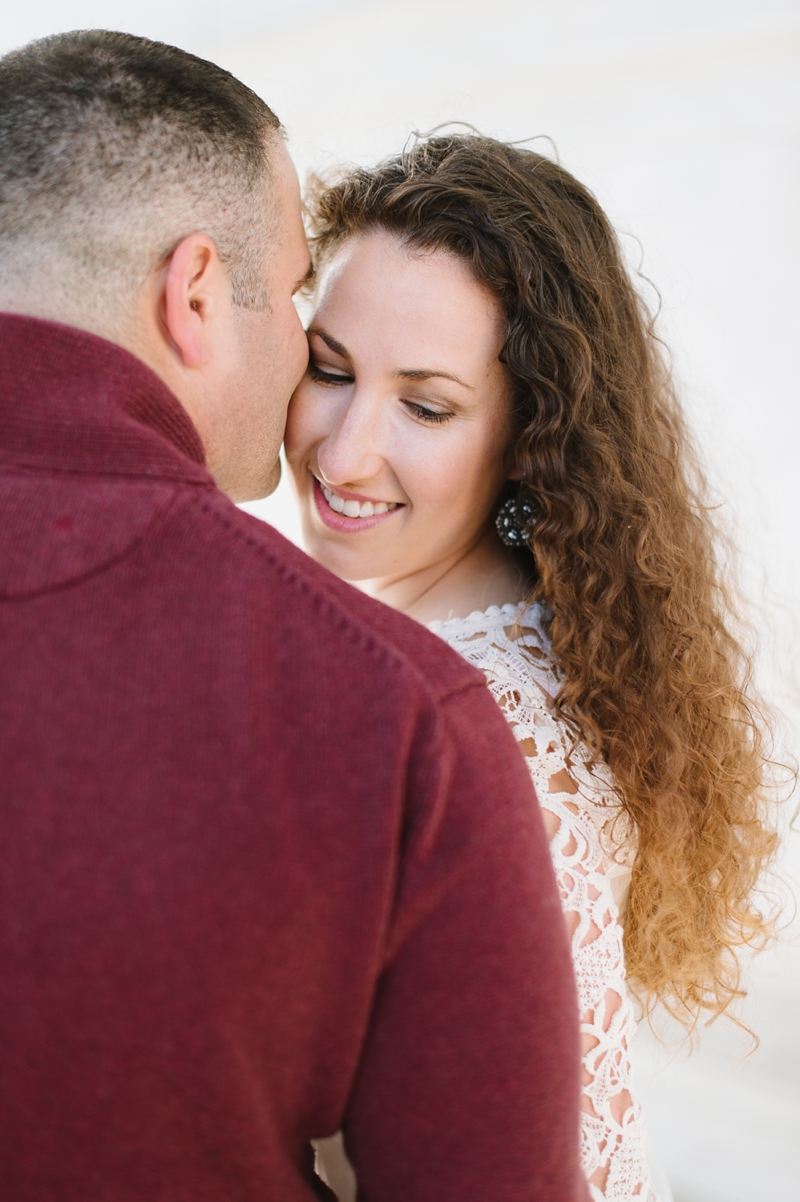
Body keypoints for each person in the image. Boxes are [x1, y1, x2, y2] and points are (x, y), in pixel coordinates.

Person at [0, 35, 591, 1202]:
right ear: (197, 294)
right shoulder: (394, 716)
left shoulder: (446, 706)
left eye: (425, 401)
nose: (333, 432)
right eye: (303, 325)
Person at [286, 133, 780, 1201]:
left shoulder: (468, 721)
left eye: (423, 405)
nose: (342, 450)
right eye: (328, 369)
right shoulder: (528, 642)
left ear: (527, 437)